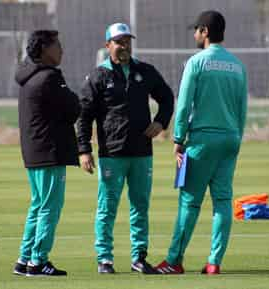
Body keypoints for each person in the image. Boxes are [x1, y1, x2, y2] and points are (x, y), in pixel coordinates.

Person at [155, 11, 248, 275]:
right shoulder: (237, 65)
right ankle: (214, 262)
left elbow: (183, 104)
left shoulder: (196, 62)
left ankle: (174, 260)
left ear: (205, 31)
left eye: (196, 30)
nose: (194, 34)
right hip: (230, 138)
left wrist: (177, 138)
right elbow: (242, 109)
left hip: (202, 141)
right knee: (222, 201)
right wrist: (236, 137)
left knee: (190, 202)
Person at [77, 23, 174, 274]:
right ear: (107, 45)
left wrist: (160, 122)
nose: (125, 46)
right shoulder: (98, 76)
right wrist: (84, 149)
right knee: (107, 208)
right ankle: (104, 259)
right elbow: (84, 115)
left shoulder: (145, 71)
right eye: (119, 42)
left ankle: (139, 257)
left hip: (142, 151)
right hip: (112, 153)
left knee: (140, 206)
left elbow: (167, 97)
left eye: (127, 41)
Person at [13, 30, 81, 277]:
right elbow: (73, 108)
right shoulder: (50, 78)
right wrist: (75, 100)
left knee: (38, 205)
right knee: (50, 206)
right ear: (44, 49)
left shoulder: (27, 77)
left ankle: (25, 257)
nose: (62, 50)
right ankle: (38, 261)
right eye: (57, 46)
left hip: (33, 150)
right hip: (49, 150)